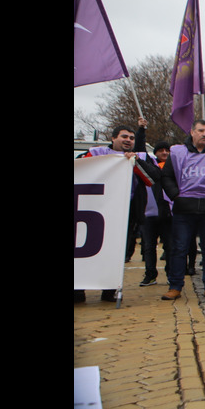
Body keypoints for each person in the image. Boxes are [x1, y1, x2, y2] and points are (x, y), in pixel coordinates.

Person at [76, 120, 162, 302]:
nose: (128, 140)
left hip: (124, 212)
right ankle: (79, 289)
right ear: (113, 138)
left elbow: (153, 178)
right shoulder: (97, 153)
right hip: (96, 211)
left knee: (116, 252)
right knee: (88, 249)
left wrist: (135, 162)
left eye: (131, 137)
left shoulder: (137, 157)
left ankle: (109, 289)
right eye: (124, 136)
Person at [160, 119, 205, 301]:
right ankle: (175, 285)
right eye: (201, 130)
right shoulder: (177, 152)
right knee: (179, 248)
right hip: (184, 208)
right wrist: (176, 195)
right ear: (192, 132)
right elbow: (166, 176)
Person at [140, 141, 173, 287]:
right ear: (156, 153)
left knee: (170, 247)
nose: (164, 153)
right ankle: (150, 274)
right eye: (161, 151)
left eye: (167, 150)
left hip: (167, 214)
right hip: (149, 214)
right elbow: (140, 150)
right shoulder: (150, 166)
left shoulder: (174, 167)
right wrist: (141, 130)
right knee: (149, 246)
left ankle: (171, 274)